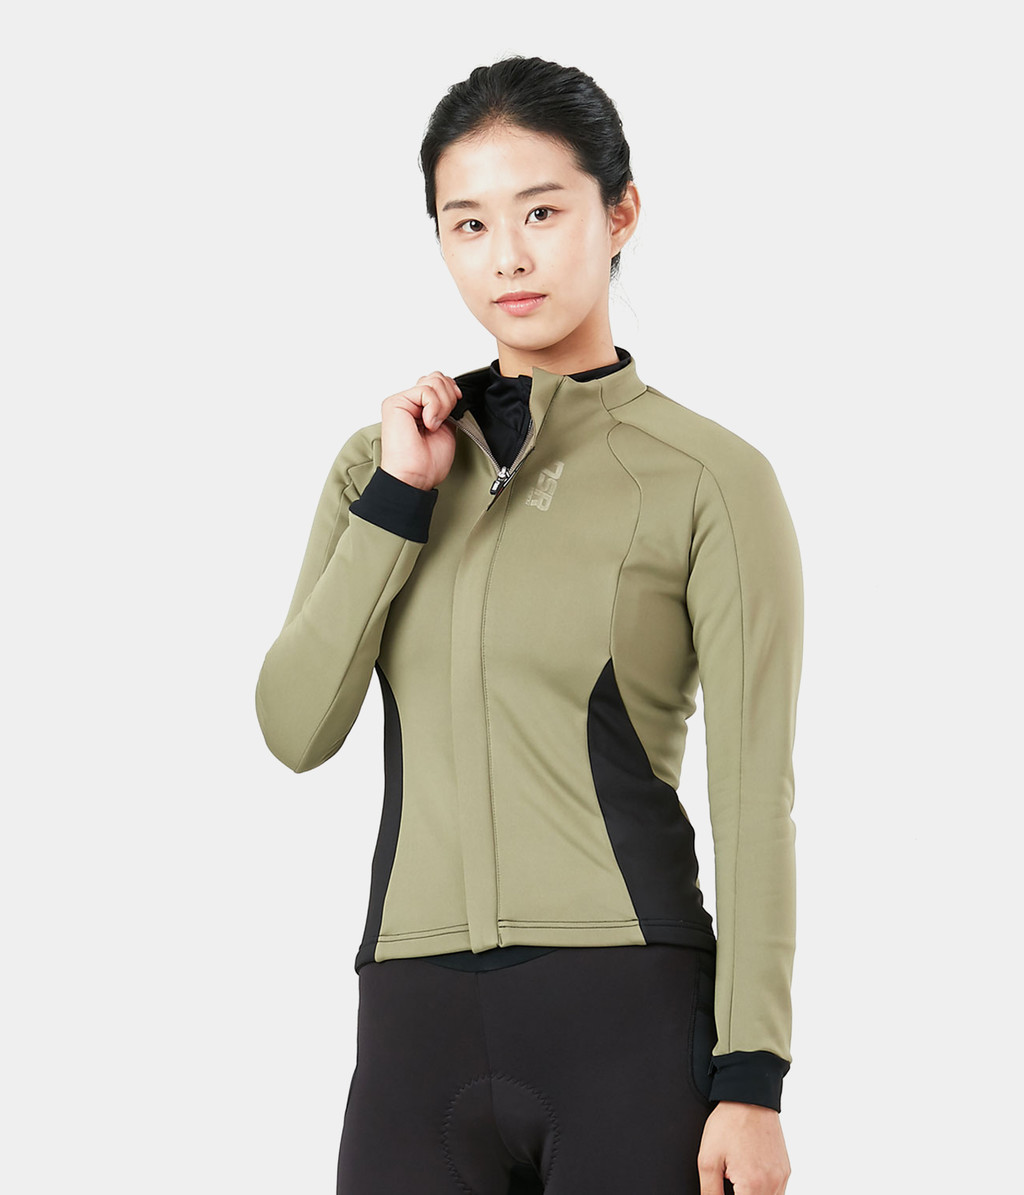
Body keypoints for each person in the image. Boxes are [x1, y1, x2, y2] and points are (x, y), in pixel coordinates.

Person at [255, 54, 802, 1195]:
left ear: (620, 213)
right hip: (409, 1019)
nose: (506, 256)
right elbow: (295, 727)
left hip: (623, 1016)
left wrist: (752, 1079)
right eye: (468, 223)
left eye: (541, 212)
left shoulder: (709, 478)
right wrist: (400, 500)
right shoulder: (379, 464)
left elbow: (756, 793)